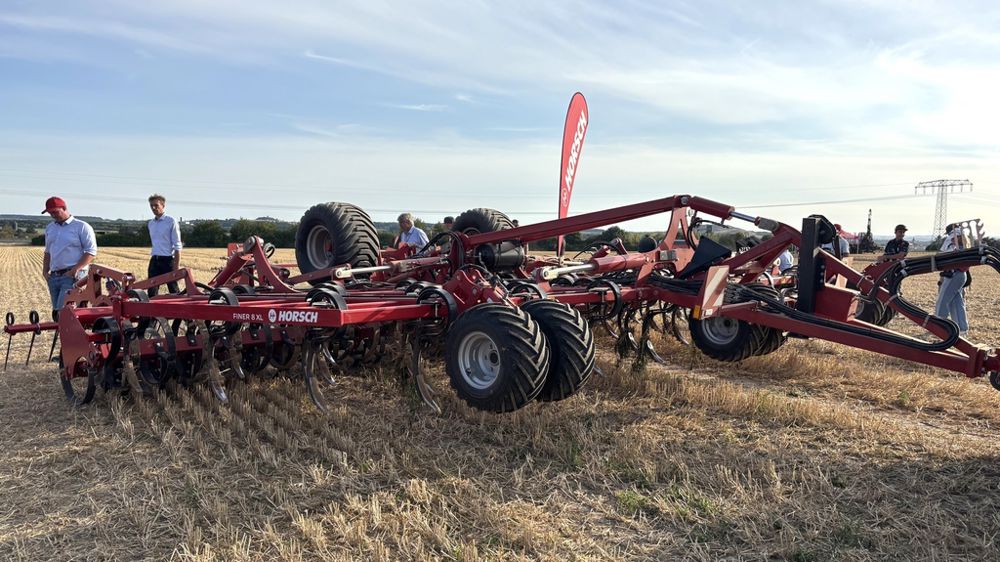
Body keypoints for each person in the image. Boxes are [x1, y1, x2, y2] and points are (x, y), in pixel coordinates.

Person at [42, 196, 97, 320]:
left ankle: (73, 337)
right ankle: (66, 337)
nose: (52, 215)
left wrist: (75, 270)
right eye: (50, 213)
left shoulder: (81, 227)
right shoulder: (50, 228)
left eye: (55, 212)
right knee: (57, 314)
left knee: (64, 313)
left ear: (64, 208)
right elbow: (48, 252)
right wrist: (45, 271)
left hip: (72, 276)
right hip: (54, 277)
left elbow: (91, 252)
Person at [935, 223, 969, 337]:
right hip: (960, 275)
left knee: (943, 301)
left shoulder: (952, 241)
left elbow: (942, 255)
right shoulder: (964, 243)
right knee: (956, 303)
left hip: (953, 275)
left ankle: (940, 327)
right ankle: (962, 329)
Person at [146, 193, 183, 296]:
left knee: (173, 290)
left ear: (163, 205)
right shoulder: (151, 223)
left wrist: (176, 266)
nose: (153, 208)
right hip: (155, 259)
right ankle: (152, 311)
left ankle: (178, 311)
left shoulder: (171, 221)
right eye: (151, 206)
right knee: (151, 290)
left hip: (168, 260)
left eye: (156, 205)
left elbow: (177, 245)